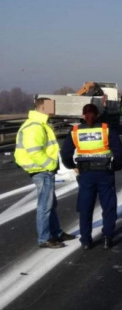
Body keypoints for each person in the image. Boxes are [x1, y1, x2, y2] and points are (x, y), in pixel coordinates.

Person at [60, 104, 122, 250]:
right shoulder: (105, 129)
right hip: (105, 173)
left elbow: (65, 153)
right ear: (97, 115)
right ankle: (108, 237)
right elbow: (119, 152)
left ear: (84, 115)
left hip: (86, 174)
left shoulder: (75, 131)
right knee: (108, 207)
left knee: (85, 207)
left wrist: (72, 166)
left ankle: (86, 241)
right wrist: (116, 166)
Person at [14, 98, 76, 248]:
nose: (53, 108)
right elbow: (34, 151)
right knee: (45, 205)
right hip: (41, 169)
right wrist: (50, 165)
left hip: (43, 169)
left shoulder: (40, 123)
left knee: (51, 203)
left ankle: (56, 233)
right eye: (50, 106)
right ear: (42, 107)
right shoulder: (34, 126)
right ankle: (45, 238)